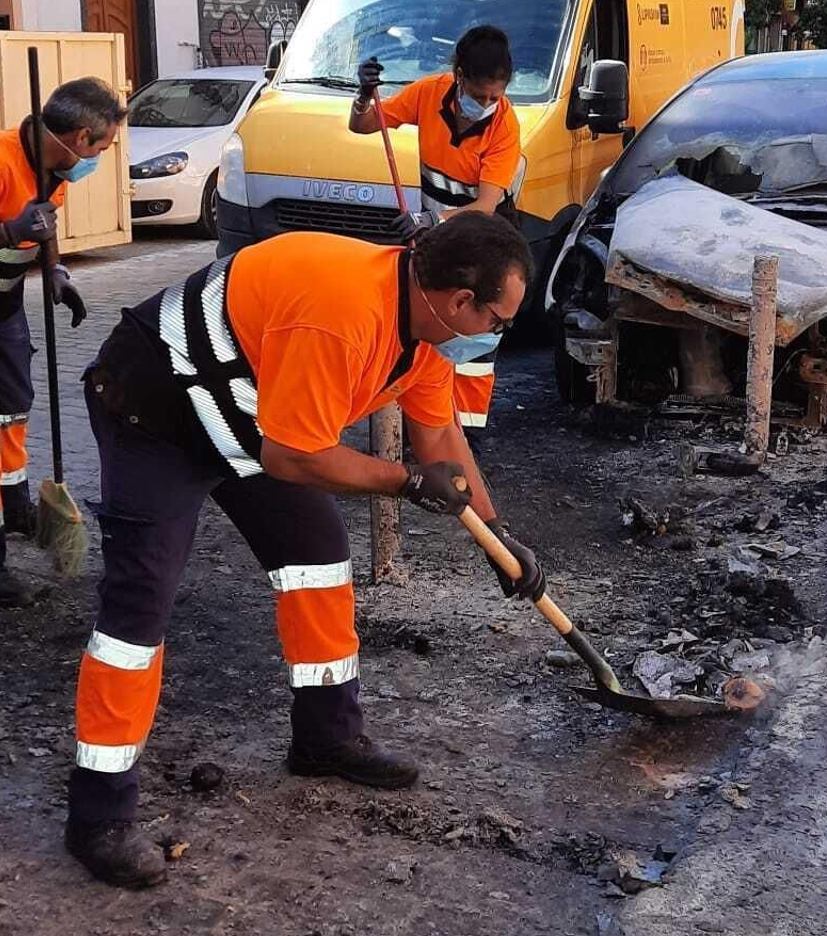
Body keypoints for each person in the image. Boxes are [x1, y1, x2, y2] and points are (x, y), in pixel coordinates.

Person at [65, 213, 549, 889]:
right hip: (154, 407)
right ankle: (98, 813)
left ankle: (326, 736)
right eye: (497, 320)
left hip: (244, 419)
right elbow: (295, 455)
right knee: (139, 605)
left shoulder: (425, 334)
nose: (496, 335)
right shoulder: (345, 312)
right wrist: (405, 482)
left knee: (316, 554)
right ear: (459, 299)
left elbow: (438, 439)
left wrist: (497, 535)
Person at [0, 77, 125, 609]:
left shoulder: (55, 166)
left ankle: (14, 505)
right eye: (101, 149)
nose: (99, 160)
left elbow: (45, 222)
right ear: (80, 137)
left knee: (14, 411)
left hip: (6, 305)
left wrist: (55, 270)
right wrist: (6, 232)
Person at [349, 23, 522, 434]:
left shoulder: (505, 126)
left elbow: (483, 206)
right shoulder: (429, 93)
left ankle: (467, 441)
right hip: (439, 242)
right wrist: (362, 95)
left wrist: (429, 220)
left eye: (495, 97)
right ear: (459, 75)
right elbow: (365, 125)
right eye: (479, 95)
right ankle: (419, 431)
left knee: (473, 351)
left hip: (484, 243)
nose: (487, 103)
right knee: (427, 331)